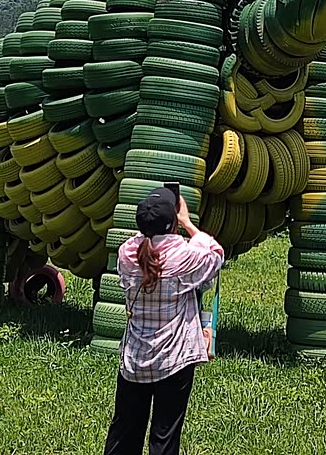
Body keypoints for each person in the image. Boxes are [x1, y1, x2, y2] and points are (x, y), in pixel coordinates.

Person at [103, 187, 224, 455]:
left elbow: (144, 244)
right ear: (172, 223)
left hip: (134, 359)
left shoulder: (126, 253)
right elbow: (216, 255)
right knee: (164, 437)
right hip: (174, 360)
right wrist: (187, 223)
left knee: (124, 433)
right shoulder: (183, 256)